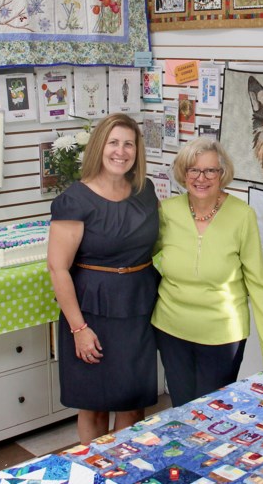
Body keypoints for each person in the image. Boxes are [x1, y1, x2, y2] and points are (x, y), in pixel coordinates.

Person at [152, 137, 263, 407]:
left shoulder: (241, 215)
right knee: (181, 411)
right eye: (193, 170)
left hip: (223, 335)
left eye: (211, 170)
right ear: (183, 173)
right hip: (171, 330)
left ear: (222, 174)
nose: (202, 178)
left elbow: (258, 284)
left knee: (212, 413)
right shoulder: (167, 212)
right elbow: (144, 262)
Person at [47, 113, 160, 444]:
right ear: (99, 147)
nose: (120, 152)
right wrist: (79, 329)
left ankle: (122, 472)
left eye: (128, 144)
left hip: (137, 309)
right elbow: (58, 268)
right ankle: (96, 471)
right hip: (91, 313)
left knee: (133, 403)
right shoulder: (75, 200)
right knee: (93, 405)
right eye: (113, 143)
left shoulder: (145, 190)